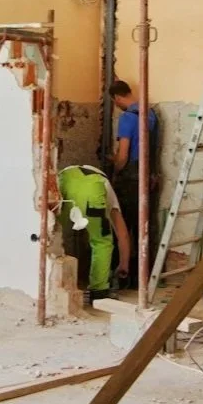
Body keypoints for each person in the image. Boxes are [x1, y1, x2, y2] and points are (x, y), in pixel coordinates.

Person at [55, 163, 131, 301]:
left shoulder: (70, 170)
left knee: (54, 232)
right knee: (102, 241)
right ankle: (99, 291)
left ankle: (53, 283)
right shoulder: (106, 188)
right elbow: (123, 234)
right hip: (93, 190)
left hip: (63, 181)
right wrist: (124, 264)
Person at [109, 78, 160, 265]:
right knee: (145, 225)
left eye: (115, 103)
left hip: (131, 179)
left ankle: (124, 271)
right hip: (150, 175)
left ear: (117, 97)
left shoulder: (128, 118)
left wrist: (115, 168)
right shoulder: (151, 114)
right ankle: (146, 272)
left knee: (124, 226)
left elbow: (123, 155)